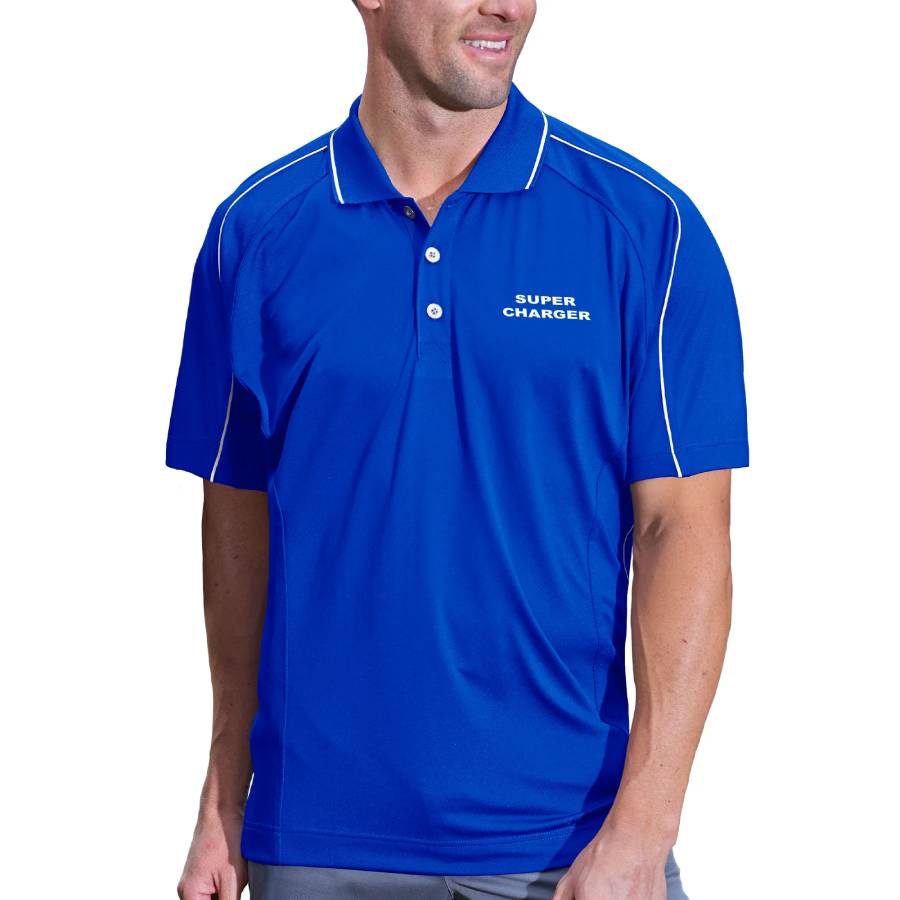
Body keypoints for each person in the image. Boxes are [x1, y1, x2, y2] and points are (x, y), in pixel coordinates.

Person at [166, 0, 749, 897]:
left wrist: (645, 827)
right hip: (317, 840)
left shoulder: (645, 228)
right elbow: (237, 526)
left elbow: (686, 530)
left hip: (568, 848)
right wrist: (223, 793)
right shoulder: (256, 231)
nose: (507, 6)